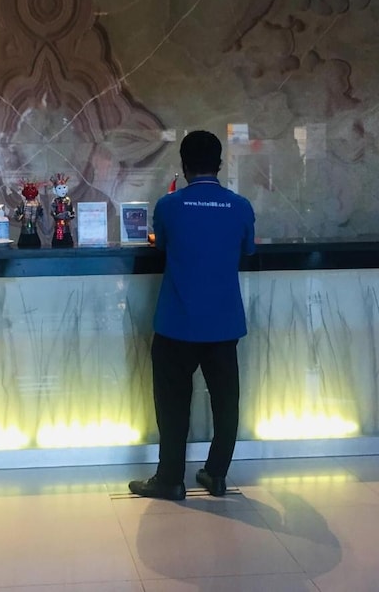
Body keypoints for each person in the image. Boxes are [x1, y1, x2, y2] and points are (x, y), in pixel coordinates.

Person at [129, 130, 256, 500]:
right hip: (224, 324)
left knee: (172, 405)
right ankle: (216, 475)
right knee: (225, 403)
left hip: (177, 323)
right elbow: (248, 249)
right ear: (220, 164)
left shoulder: (169, 206)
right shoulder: (240, 206)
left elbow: (162, 246)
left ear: (184, 166)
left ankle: (170, 479)